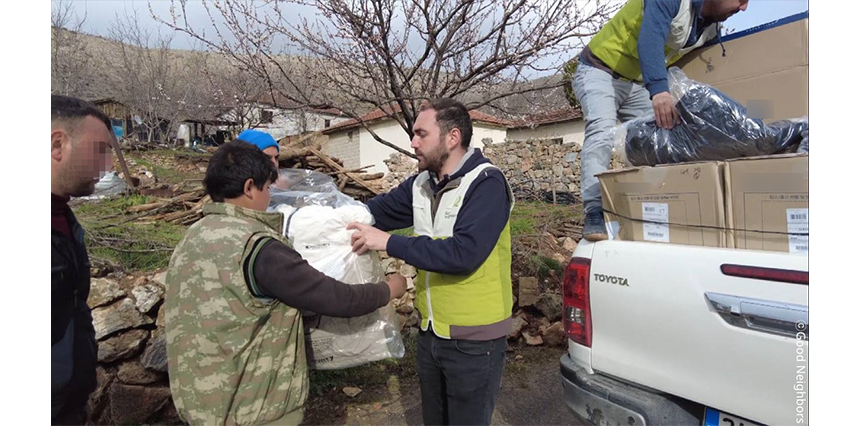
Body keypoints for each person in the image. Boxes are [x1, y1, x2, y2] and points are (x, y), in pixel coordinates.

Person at [163, 141, 407, 426]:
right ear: (249, 187)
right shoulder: (259, 248)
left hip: (200, 402)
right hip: (253, 408)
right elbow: (336, 298)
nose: (270, 196)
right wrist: (390, 289)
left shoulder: (192, 237)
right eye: (267, 188)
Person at [348, 98, 513, 426]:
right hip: (432, 333)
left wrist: (389, 242)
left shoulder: (486, 184)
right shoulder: (422, 184)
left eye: (421, 134)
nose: (413, 142)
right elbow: (372, 211)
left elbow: (463, 254)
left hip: (475, 342)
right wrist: (316, 208)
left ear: (452, 138)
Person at [573, 0, 748, 240]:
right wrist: (659, 91)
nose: (744, 8)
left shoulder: (710, 29)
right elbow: (650, 39)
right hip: (600, 69)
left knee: (661, 140)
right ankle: (594, 212)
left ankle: (655, 208)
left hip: (636, 83)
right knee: (602, 131)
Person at [51, 95, 115, 425]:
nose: (107, 167)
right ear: (57, 144)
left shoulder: (64, 219)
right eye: (100, 151)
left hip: (68, 403)